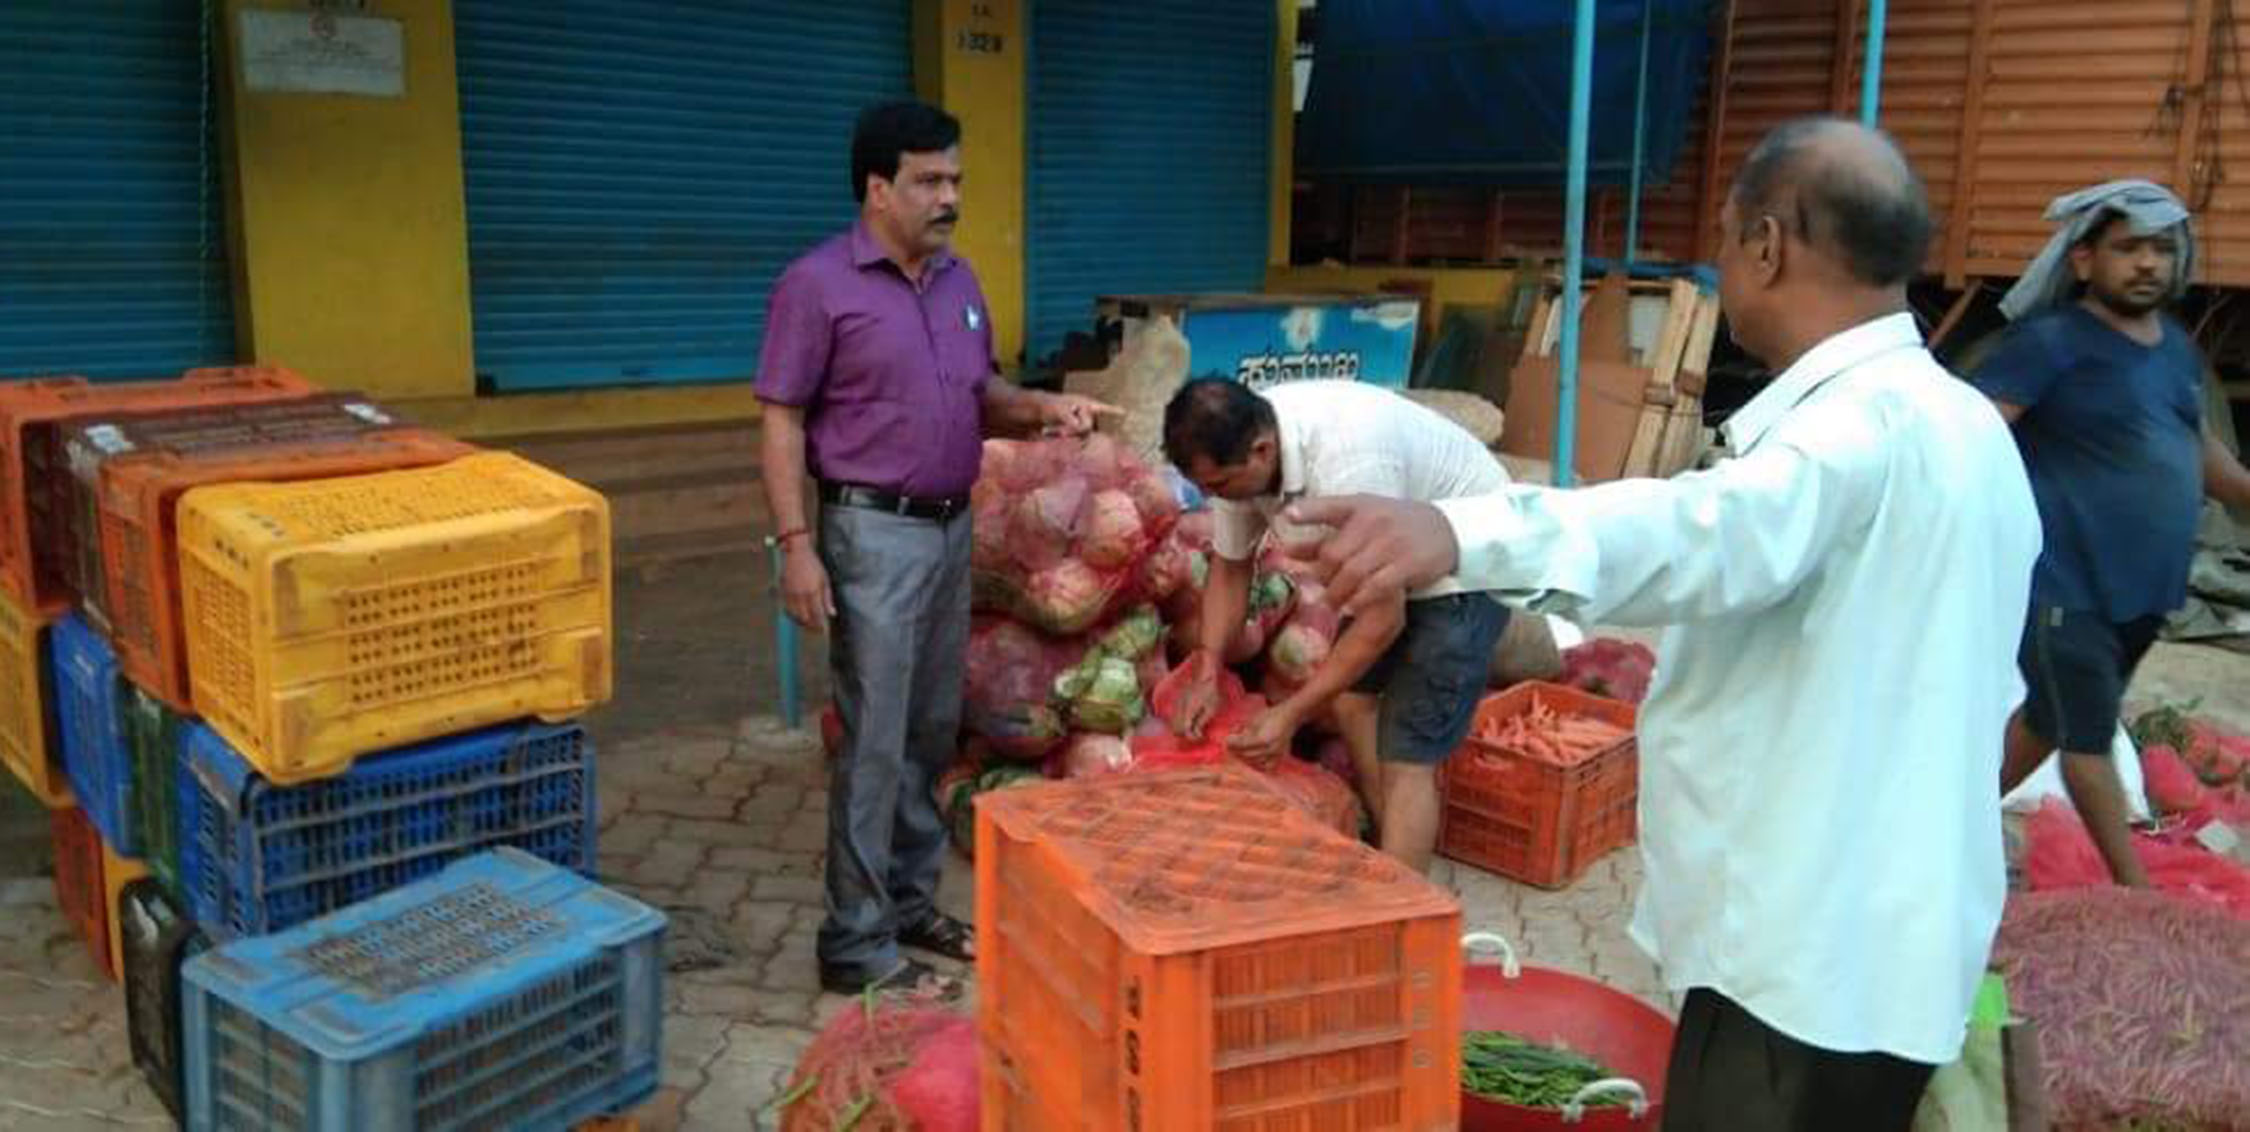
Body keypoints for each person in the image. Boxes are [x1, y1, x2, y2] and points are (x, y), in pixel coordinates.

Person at [1285, 118, 2041, 1130]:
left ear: (1766, 245)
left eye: (1725, 237)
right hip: (1884, 937)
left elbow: (1693, 532)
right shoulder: (1964, 425)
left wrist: (1459, 532)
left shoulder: (1848, 435)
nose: (1724, 265)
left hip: (1807, 959)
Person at [756, 100, 1116, 997]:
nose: (949, 197)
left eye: (954, 179)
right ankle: (854, 942)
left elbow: (980, 392)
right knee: (874, 737)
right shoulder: (817, 285)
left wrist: (1042, 408)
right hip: (869, 534)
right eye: (929, 181)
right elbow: (782, 421)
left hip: (953, 528)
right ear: (878, 189)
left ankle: (911, 906)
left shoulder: (958, 281)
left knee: (927, 730)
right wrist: (796, 545)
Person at [1971, 180, 2250, 888]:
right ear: (2084, 259)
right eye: (2129, 248)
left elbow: (2201, 454)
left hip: (2140, 595)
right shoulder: (2049, 345)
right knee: (2086, 738)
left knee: (2050, 717)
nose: (2149, 262)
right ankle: (2137, 891)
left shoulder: (2174, 352)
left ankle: (1950, 819)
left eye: (2161, 248)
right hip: (2065, 585)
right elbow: (1971, 436)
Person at [1161, 378, 1512, 872]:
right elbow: (1231, 567)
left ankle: (1404, 904)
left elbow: (1383, 619)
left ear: (1262, 451)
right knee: (1350, 702)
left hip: (1470, 557)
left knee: (1407, 755)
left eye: (1218, 486)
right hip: (1397, 554)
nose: (1211, 497)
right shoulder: (1246, 451)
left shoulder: (1347, 466)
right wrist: (1207, 669)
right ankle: (1389, 849)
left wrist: (1290, 715)